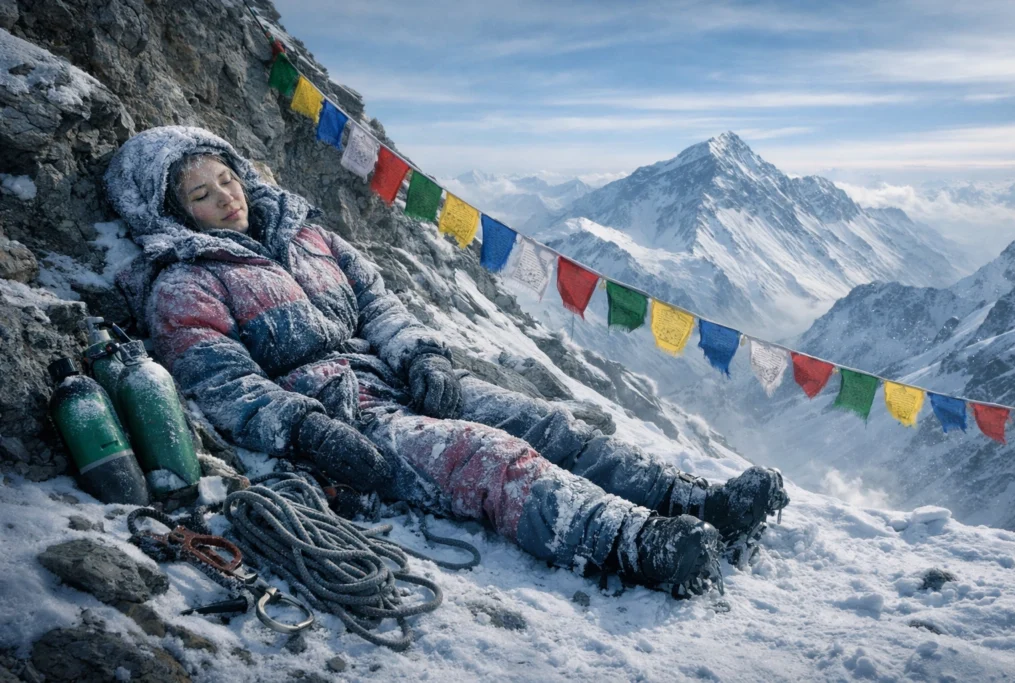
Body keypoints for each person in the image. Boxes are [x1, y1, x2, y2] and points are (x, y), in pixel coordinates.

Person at [105, 126, 789, 596]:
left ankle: (694, 500)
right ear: (171, 211)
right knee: (486, 456)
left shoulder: (308, 234)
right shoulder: (184, 282)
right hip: (347, 419)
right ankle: (635, 542)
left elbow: (380, 308)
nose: (227, 196)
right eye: (202, 194)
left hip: (403, 383)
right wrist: (307, 429)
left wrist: (422, 357)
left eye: (228, 178)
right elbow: (221, 382)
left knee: (544, 422)